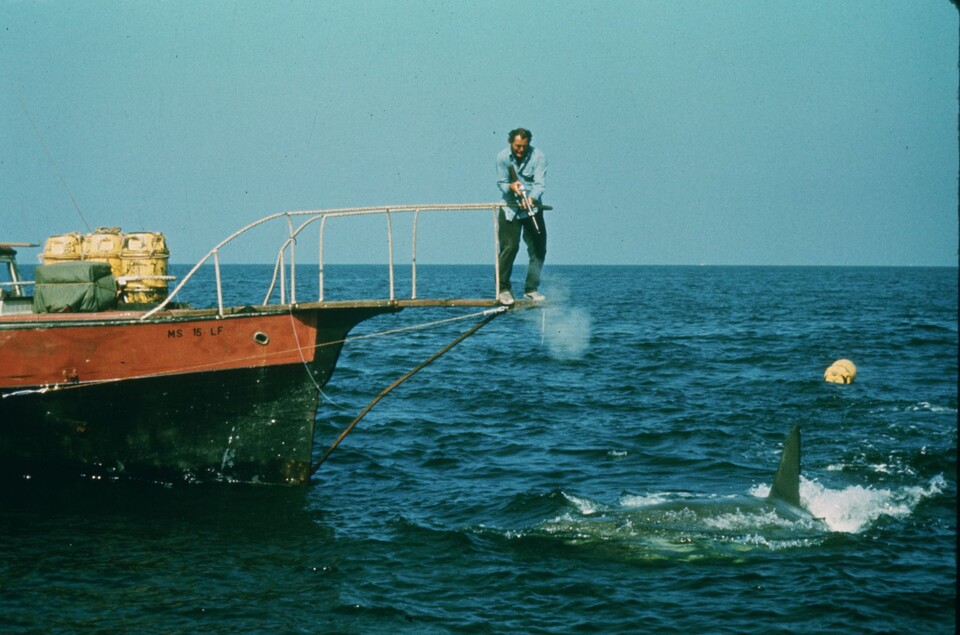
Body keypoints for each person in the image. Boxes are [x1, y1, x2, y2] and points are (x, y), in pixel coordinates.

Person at [496, 127, 547, 305]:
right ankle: (503, 289)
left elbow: (540, 185)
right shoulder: (502, 157)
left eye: (524, 146)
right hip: (510, 209)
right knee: (510, 247)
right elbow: (501, 183)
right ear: (511, 143)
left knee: (539, 249)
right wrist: (511, 187)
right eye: (517, 146)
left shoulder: (539, 156)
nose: (520, 150)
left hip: (533, 209)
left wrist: (531, 198)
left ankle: (531, 289)